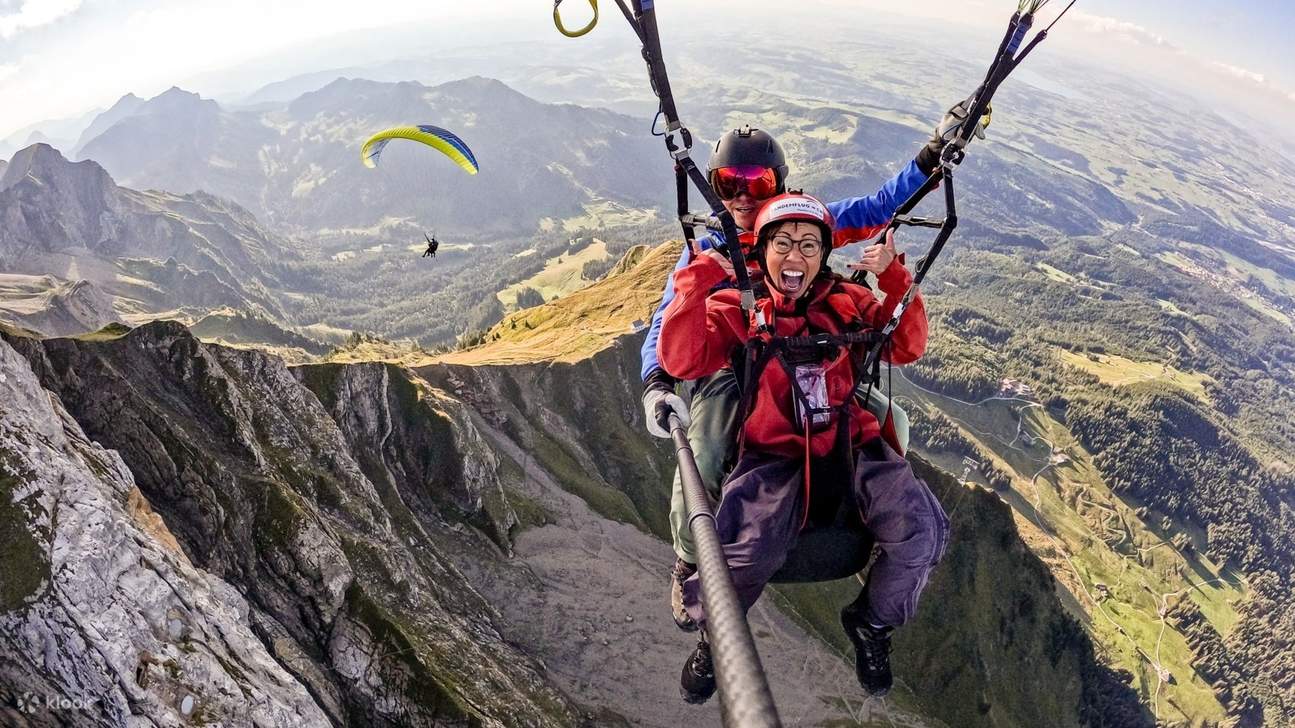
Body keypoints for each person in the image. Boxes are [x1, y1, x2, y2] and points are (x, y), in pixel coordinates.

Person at [641, 116, 955, 635]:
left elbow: (880, 207)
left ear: (777, 184)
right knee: (707, 450)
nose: (742, 197)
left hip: (805, 348)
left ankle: (879, 514)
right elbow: (668, 316)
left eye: (757, 184)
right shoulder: (711, 247)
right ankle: (690, 559)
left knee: (889, 415)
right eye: (728, 185)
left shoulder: (799, 225)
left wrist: (931, 158)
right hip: (731, 357)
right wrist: (658, 379)